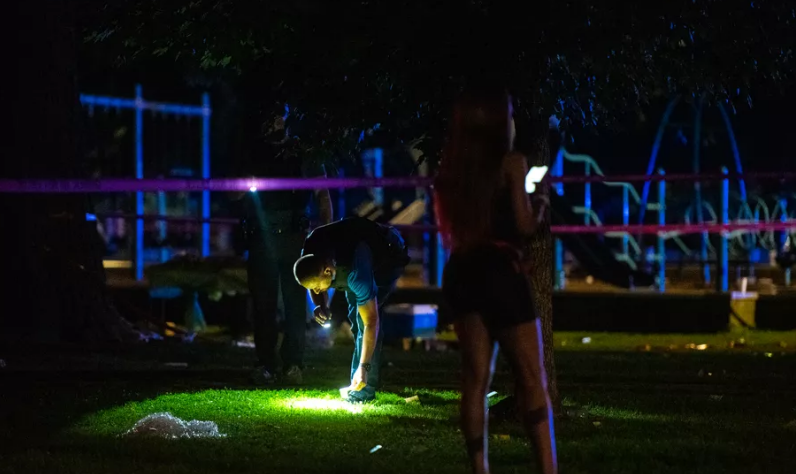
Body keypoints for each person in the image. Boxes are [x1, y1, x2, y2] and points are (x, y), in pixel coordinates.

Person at [434, 85, 558, 474]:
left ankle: (479, 467)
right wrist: (538, 202)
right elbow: (522, 226)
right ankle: (548, 467)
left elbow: (451, 231)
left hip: (461, 273)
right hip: (501, 273)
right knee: (532, 379)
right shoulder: (512, 163)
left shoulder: (450, 170)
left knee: (474, 379)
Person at [238, 110, 333, 385]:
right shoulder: (255, 153)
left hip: (294, 237)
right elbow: (235, 191)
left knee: (294, 303)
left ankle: (293, 364)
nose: (272, 123)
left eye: (277, 117)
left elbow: (322, 196)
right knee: (263, 304)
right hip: (261, 236)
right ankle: (267, 364)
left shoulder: (304, 152)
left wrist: (325, 236)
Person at [292, 217, 410, 402]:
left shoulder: (356, 273)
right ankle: (359, 382)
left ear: (327, 271)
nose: (316, 291)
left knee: (363, 323)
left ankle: (364, 388)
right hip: (353, 261)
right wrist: (320, 305)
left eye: (317, 288)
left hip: (388, 255)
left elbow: (371, 322)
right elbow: (312, 279)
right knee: (355, 321)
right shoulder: (311, 249)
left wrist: (364, 367)